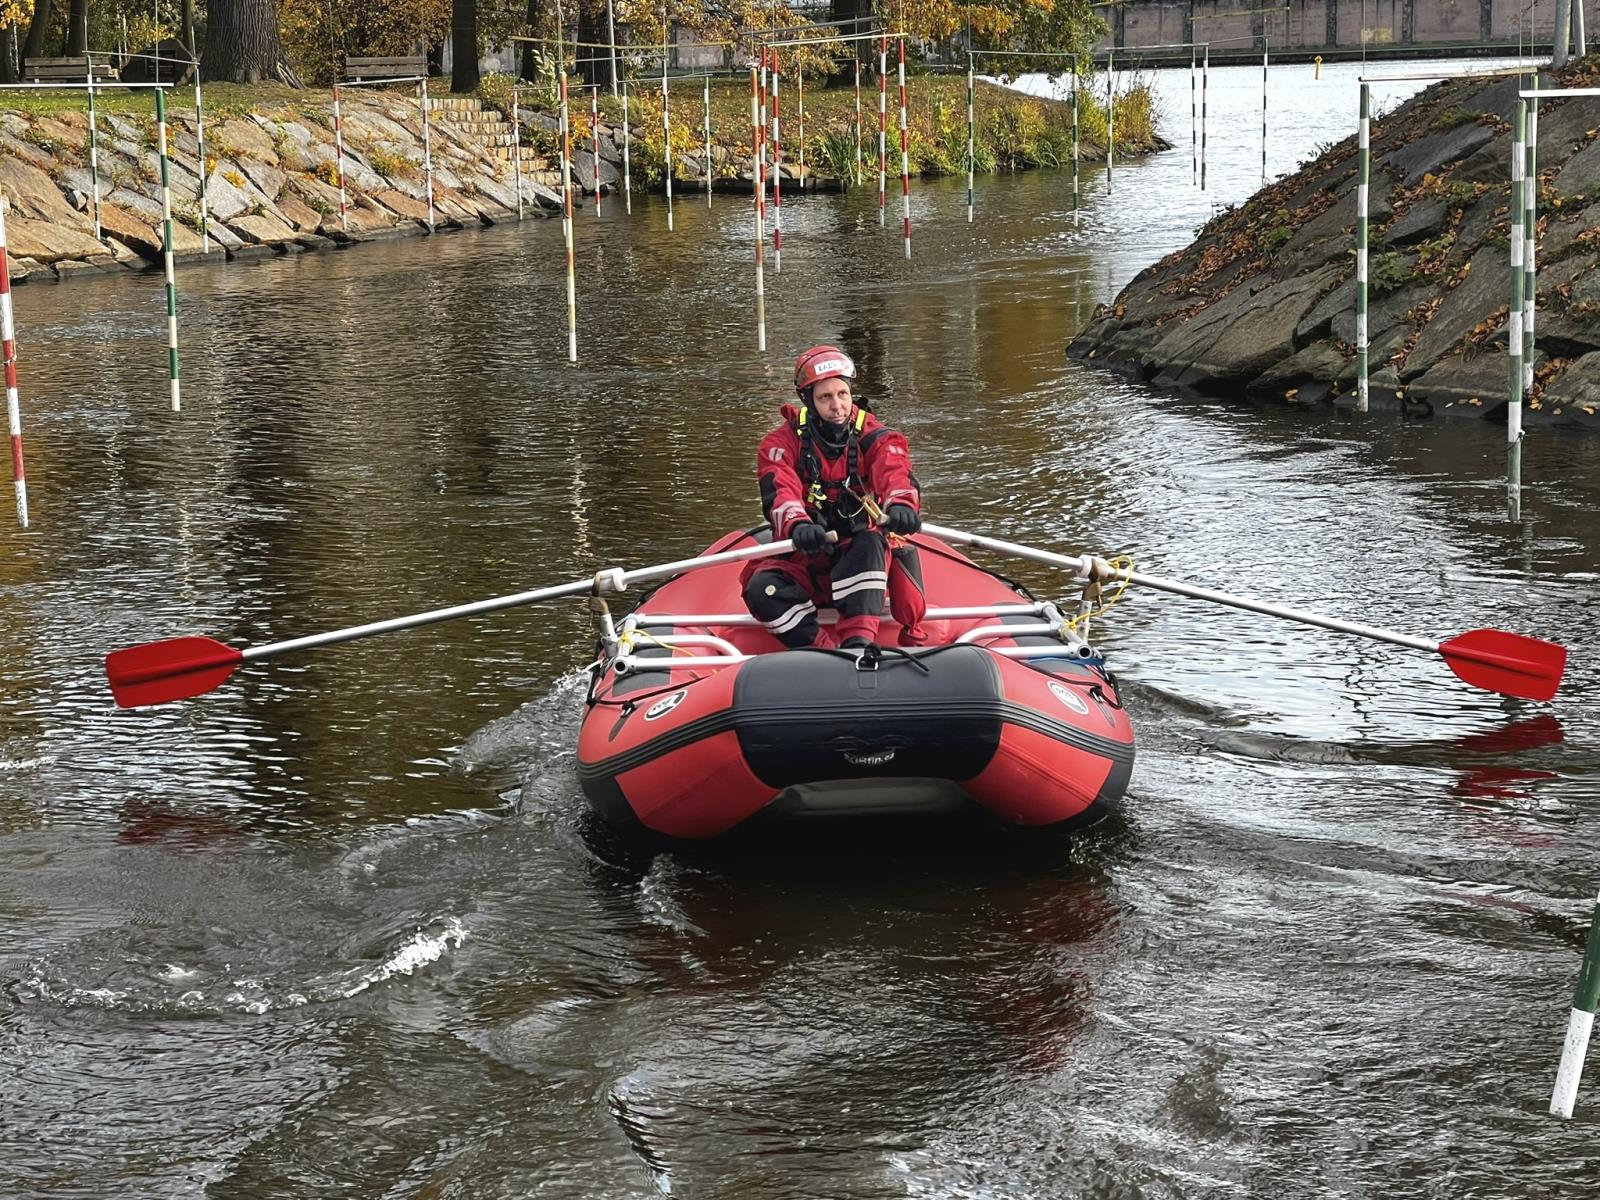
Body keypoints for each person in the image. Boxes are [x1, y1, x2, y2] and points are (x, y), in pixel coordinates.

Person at [740, 345, 930, 650]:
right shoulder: (780, 443)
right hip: (804, 553)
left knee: (870, 542)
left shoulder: (875, 435)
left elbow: (894, 470)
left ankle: (858, 644)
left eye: (843, 394)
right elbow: (780, 490)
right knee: (762, 589)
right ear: (807, 399)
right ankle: (825, 652)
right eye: (825, 397)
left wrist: (902, 505)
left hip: (857, 553)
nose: (837, 406)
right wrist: (798, 524)